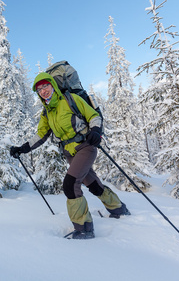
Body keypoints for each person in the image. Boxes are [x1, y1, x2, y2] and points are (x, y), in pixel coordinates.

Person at [10, 72, 130, 239]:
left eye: (45, 85)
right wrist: (22, 148)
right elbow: (41, 135)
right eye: (39, 89)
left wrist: (96, 131)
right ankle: (118, 208)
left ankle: (84, 228)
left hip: (85, 147)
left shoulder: (70, 99)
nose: (43, 90)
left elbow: (93, 115)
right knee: (93, 185)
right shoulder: (46, 113)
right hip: (70, 154)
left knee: (70, 185)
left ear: (53, 85)